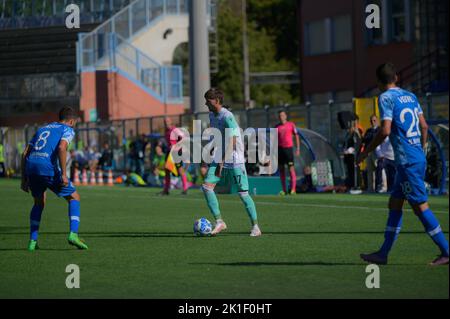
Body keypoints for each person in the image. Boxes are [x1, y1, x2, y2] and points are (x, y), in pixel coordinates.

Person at [357, 62, 448, 266]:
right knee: (395, 203)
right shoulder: (411, 96)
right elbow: (424, 126)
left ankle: (446, 251)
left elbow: (385, 131)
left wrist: (366, 152)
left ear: (379, 83)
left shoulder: (385, 98)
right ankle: (383, 253)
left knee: (420, 207)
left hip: (407, 162)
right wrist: (421, 148)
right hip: (413, 158)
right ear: (396, 78)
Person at [20, 107, 88, 251]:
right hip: (47, 168)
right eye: (74, 123)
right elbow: (62, 148)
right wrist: (63, 174)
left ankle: (32, 242)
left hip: (32, 167)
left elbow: (25, 153)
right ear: (71, 121)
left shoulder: (42, 129)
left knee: (39, 203)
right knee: (74, 197)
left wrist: (23, 179)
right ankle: (73, 235)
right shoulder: (67, 129)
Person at [201, 88, 261, 237]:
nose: (205, 103)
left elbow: (233, 141)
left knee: (243, 193)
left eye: (208, 101)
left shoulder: (228, 116)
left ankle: (255, 227)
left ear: (217, 101)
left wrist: (221, 162)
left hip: (235, 159)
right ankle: (220, 221)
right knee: (207, 187)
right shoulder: (211, 115)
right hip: (220, 156)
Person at [160, 117, 189, 195]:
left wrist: (177, 146)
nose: (166, 122)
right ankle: (166, 189)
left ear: (171, 121)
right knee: (167, 170)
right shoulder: (166, 131)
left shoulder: (175, 130)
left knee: (180, 169)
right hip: (169, 153)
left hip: (176, 152)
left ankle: (185, 188)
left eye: (167, 121)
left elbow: (184, 137)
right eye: (165, 121)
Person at [275, 110, 301, 195]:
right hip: (280, 149)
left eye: (282, 115)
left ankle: (293, 189)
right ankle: (284, 190)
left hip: (288, 149)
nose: (281, 117)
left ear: (285, 116)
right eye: (280, 116)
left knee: (291, 168)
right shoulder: (276, 127)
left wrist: (298, 148)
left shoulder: (291, 125)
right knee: (281, 170)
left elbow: (296, 136)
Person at [361, 115, 380, 192]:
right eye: (371, 121)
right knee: (370, 171)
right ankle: (370, 188)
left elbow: (375, 138)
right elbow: (365, 139)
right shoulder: (369, 130)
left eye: (374, 120)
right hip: (369, 152)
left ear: (377, 121)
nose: (373, 122)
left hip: (377, 152)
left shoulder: (379, 129)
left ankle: (380, 187)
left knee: (379, 170)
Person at [343, 123, 362, 191]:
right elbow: (345, 144)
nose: (348, 130)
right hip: (348, 157)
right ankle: (350, 185)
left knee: (355, 172)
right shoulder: (347, 135)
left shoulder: (355, 135)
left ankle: (357, 185)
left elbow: (357, 146)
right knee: (350, 171)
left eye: (349, 128)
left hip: (354, 156)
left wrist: (349, 150)